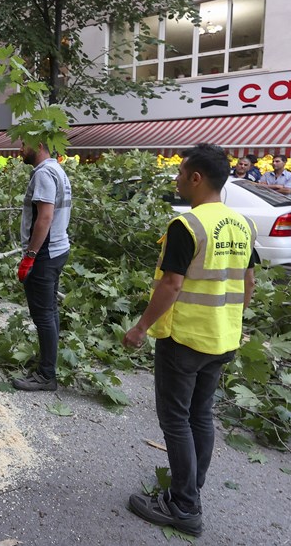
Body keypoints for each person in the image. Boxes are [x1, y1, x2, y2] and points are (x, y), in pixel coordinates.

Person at [123, 143, 258, 537]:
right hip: (222, 338)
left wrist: (141, 327)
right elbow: (248, 284)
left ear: (196, 178)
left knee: (176, 420)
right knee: (201, 415)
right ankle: (190, 491)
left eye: (181, 173)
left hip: (184, 340)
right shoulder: (242, 225)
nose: (177, 179)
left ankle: (184, 506)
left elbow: (171, 283)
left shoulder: (187, 225)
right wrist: (228, 315)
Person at [12, 141, 72, 392]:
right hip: (57, 249)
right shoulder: (57, 169)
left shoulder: (44, 173)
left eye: (24, 144)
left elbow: (45, 216)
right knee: (50, 312)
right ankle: (47, 366)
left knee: (44, 315)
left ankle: (47, 375)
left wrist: (30, 255)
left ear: (38, 144)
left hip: (46, 253)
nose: (20, 150)